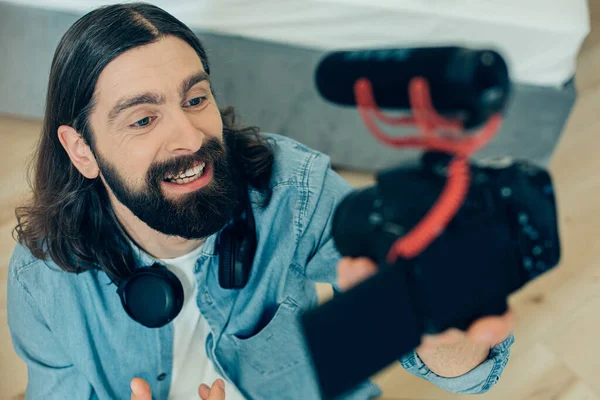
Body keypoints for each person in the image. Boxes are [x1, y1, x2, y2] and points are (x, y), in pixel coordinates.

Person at [7, 3, 515, 399]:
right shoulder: (42, 279)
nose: (190, 136)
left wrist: (443, 316)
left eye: (195, 98)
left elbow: (458, 370)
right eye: (143, 119)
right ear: (82, 150)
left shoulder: (294, 191)